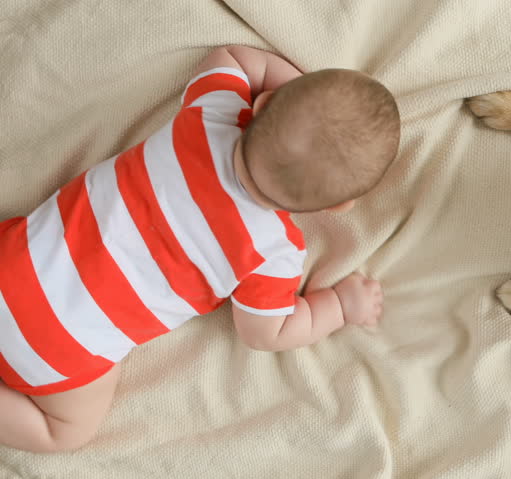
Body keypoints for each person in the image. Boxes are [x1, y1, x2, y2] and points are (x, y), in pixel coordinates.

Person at [0, 45, 400, 452]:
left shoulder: (210, 116)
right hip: (64, 350)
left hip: (11, 264)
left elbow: (233, 57)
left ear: (261, 103)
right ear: (336, 206)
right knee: (64, 433)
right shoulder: (272, 253)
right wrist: (339, 305)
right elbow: (268, 332)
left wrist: (293, 97)